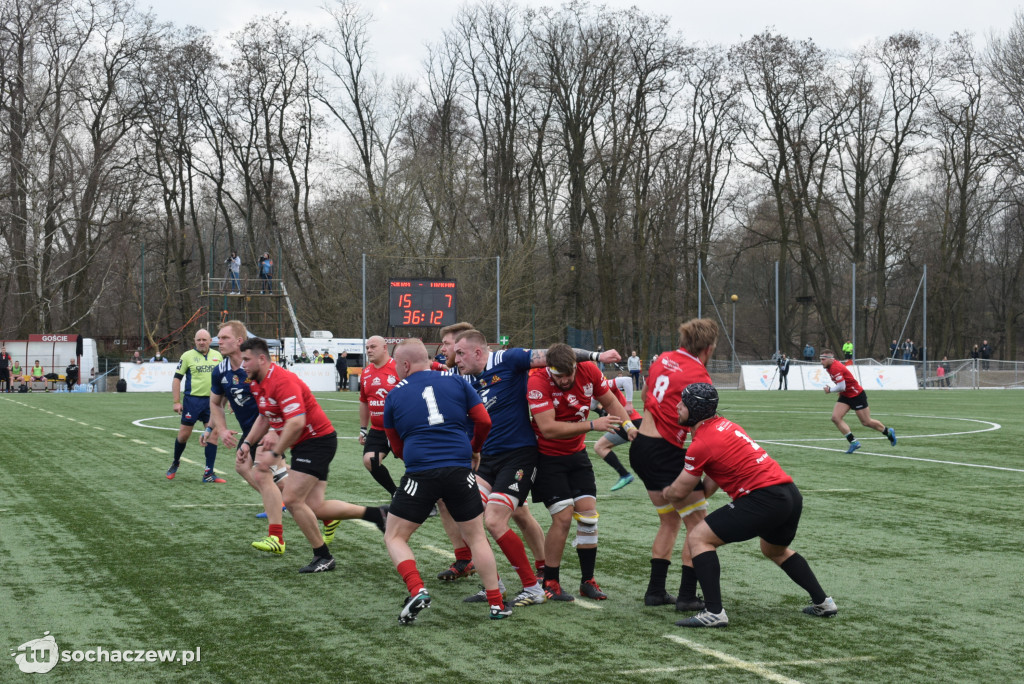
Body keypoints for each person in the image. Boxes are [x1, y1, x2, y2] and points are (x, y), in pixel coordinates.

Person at [452, 329, 620, 606]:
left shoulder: (508, 359)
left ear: (477, 352)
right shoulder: (465, 380)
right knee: (465, 513)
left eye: (459, 352)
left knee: (496, 520)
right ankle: (497, 583)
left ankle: (535, 585)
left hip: (518, 456)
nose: (454, 358)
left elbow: (554, 354)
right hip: (487, 460)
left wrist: (596, 356)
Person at [665, 383, 838, 628]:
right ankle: (824, 602)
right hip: (789, 495)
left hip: (763, 499)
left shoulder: (700, 443)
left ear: (695, 408)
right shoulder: (726, 425)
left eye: (682, 402)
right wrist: (701, 493)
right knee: (774, 551)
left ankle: (714, 612)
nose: (677, 406)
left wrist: (667, 492)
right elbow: (713, 475)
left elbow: (681, 489)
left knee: (698, 538)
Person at [382, 339, 511, 623]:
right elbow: (484, 421)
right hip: (459, 468)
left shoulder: (394, 394)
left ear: (404, 364)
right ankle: (497, 603)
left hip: (421, 472)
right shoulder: (458, 382)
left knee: (394, 535)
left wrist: (417, 459)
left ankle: (416, 589)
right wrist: (474, 449)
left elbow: (396, 446)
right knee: (477, 536)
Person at [240, 337, 387, 572]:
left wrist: (276, 452)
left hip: (316, 441)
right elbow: (265, 416)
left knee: (292, 499)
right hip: (308, 443)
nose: (242, 364)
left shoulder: (282, 380)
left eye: (246, 359)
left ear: (261, 359)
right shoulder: (256, 382)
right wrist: (248, 442)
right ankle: (377, 515)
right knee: (315, 507)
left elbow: (297, 422)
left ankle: (323, 556)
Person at [527, 343, 634, 602]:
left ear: (576, 366)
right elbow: (549, 428)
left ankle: (587, 581)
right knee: (563, 518)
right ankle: (551, 580)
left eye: (568, 375)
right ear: (548, 369)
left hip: (576, 455)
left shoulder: (589, 371)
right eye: (558, 375)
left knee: (588, 517)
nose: (564, 380)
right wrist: (592, 425)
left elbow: (610, 401)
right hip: (547, 457)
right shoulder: (537, 379)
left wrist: (629, 426)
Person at [628, 317, 717, 611]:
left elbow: (645, 396)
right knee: (699, 525)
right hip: (664, 451)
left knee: (669, 520)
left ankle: (655, 592)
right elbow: (700, 426)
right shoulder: (700, 376)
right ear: (708, 347)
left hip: (641, 446)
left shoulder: (664, 358)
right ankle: (688, 595)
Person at [204, 321, 288, 552]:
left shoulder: (255, 366)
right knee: (246, 468)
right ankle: (285, 504)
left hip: (270, 429)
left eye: (223, 338)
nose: (217, 342)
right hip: (252, 431)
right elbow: (215, 403)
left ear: (239, 341)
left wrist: (273, 430)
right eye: (218, 338)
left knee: (269, 476)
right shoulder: (220, 370)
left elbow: (280, 399)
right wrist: (217, 429)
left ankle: (288, 522)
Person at [165, 329, 225, 483]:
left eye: (204, 339)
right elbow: (177, 379)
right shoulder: (187, 356)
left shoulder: (217, 356)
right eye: (198, 340)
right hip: (192, 401)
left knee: (213, 434)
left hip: (212, 402)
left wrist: (228, 399)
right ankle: (176, 462)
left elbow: (223, 379)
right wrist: (176, 401)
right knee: (184, 435)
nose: (201, 342)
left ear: (210, 341)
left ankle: (208, 473)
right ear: (195, 341)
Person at [819, 349, 897, 453]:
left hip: (857, 395)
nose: (821, 362)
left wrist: (830, 390)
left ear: (830, 359)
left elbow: (842, 386)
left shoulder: (835, 368)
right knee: (835, 418)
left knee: (866, 422)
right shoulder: (829, 367)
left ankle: (888, 432)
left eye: (823, 359)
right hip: (846, 395)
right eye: (821, 359)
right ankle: (853, 442)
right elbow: (843, 386)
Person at [359, 336, 401, 496]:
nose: (369, 350)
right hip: (378, 429)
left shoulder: (398, 368)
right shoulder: (366, 372)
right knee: (370, 460)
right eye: (367, 347)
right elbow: (363, 401)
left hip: (399, 428)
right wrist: (363, 428)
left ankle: (425, 499)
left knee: (416, 463)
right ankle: (395, 493)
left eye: (373, 347)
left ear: (385, 348)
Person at [591, 373, 638, 491]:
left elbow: (627, 380)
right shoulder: (594, 392)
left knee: (599, 447)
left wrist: (629, 403)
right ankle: (624, 475)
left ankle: (624, 475)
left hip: (632, 423)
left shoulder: (604, 385)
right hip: (627, 424)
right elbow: (591, 405)